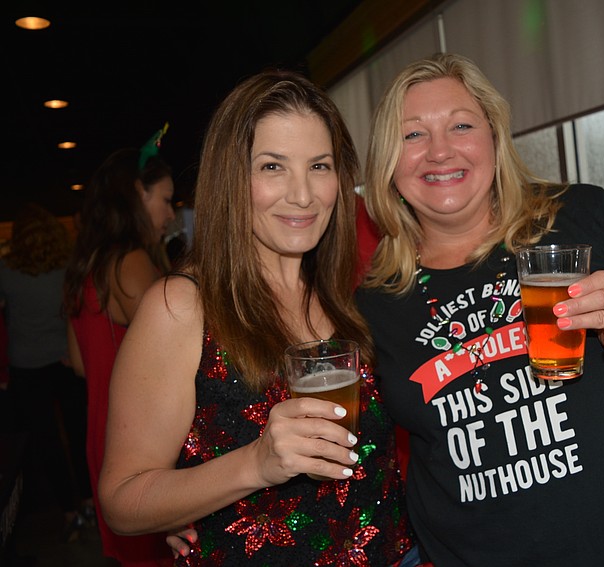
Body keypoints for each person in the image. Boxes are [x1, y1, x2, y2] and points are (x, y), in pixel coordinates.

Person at [353, 53, 604, 566]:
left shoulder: (583, 215)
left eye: (461, 125)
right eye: (413, 135)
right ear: (387, 162)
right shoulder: (372, 303)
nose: (440, 152)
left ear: (493, 136)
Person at [97, 70, 414, 566]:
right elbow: (122, 501)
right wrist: (256, 464)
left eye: (319, 166)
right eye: (272, 167)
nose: (303, 194)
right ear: (230, 178)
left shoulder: (344, 297)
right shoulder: (181, 306)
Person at [64, 139, 176, 566]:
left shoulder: (86, 266)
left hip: (102, 435)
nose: (169, 214)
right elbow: (179, 354)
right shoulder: (131, 262)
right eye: (165, 200)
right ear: (136, 194)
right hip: (142, 439)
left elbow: (79, 364)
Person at [0, 203, 92, 535]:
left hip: (26, 364)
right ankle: (88, 499)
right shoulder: (68, 267)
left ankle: (69, 511)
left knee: (46, 439)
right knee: (80, 432)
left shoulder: (5, 270)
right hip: (66, 359)